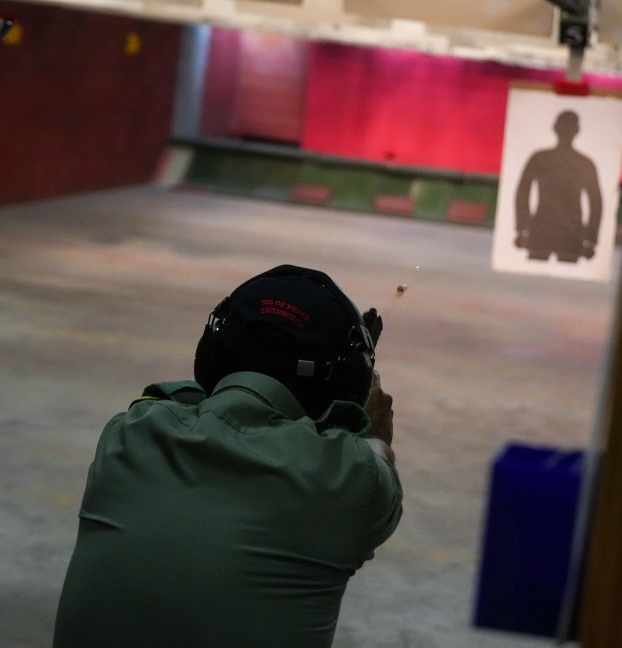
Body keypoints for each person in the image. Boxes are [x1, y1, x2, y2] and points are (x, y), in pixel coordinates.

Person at [52, 265, 402, 648]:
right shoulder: (352, 477)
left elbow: (182, 399)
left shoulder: (128, 434)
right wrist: (373, 422)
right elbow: (374, 450)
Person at [514, 109, 603, 263]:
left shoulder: (582, 163)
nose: (566, 131)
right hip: (546, 230)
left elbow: (596, 203)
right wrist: (522, 228)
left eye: (569, 127)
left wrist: (591, 238)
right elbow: (523, 192)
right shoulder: (541, 158)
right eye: (565, 127)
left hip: (567, 233)